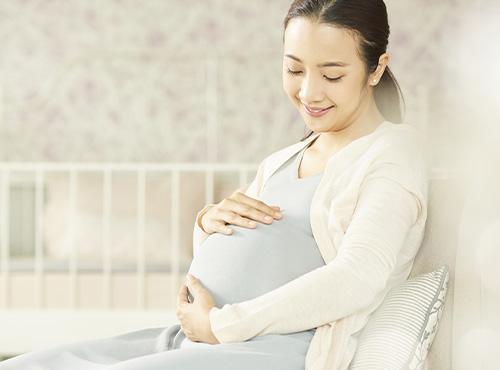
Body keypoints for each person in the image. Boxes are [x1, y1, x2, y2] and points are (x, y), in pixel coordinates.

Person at [0, 0, 428, 369]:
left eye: (332, 75)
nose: (308, 92)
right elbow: (230, 253)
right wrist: (206, 225)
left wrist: (222, 324)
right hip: (199, 337)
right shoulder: (283, 160)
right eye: (294, 69)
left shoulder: (390, 155)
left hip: (269, 349)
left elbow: (357, 278)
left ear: (376, 69)